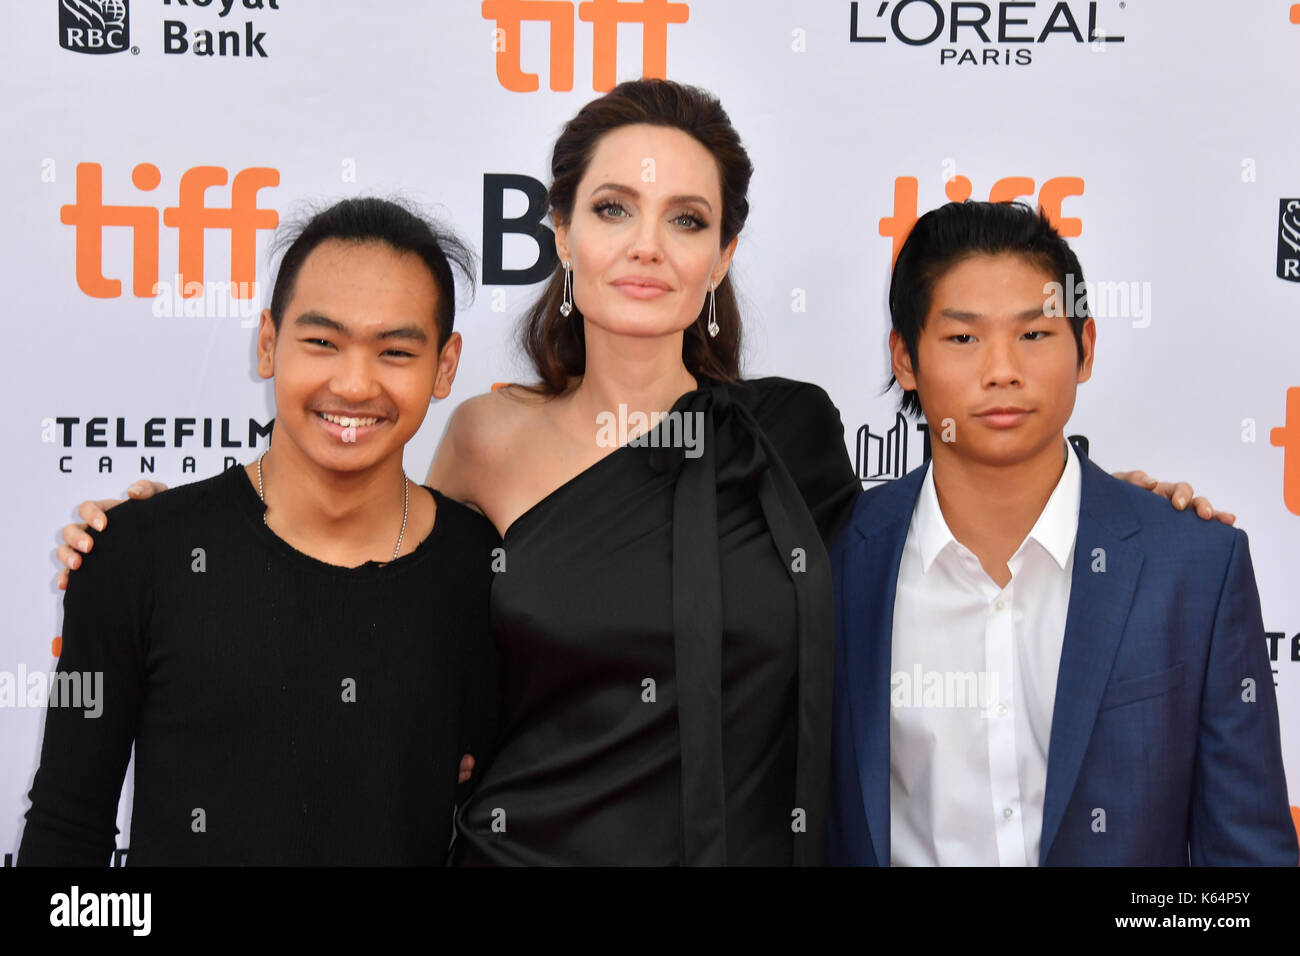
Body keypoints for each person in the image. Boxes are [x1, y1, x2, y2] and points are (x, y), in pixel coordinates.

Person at [54, 82, 1228, 867]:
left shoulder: (791, 436)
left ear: (722, 253)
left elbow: (941, 511)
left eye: (685, 218)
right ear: (559, 228)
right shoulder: (480, 438)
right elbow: (356, 576)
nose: (646, 246)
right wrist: (162, 533)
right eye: (614, 208)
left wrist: (1119, 508)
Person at [22, 198, 501, 865]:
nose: (355, 383)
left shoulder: (486, 576)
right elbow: (67, 830)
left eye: (395, 350)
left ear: (445, 366)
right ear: (268, 343)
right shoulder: (138, 553)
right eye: (322, 342)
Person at [827, 200, 1297, 866]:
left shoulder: (1192, 566)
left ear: (1086, 347)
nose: (1002, 371)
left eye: (1035, 334)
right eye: (963, 338)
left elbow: (1247, 859)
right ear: (905, 358)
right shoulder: (838, 559)